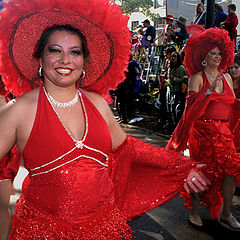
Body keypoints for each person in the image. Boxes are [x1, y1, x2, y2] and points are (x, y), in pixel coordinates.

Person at [0, 0, 209, 239]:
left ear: (84, 61)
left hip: (103, 228)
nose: (65, 60)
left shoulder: (97, 103)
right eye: (55, 50)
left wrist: (183, 168)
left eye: (74, 52)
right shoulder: (20, 109)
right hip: (42, 232)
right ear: (40, 59)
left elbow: (128, 149)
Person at [166, 27, 240, 229]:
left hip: (224, 134)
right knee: (202, 172)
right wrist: (208, 91)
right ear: (204, 58)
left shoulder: (226, 78)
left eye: (219, 53)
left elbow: (230, 105)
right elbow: (191, 110)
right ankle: (195, 212)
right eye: (212, 53)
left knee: (230, 170)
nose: (217, 56)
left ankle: (226, 213)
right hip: (202, 133)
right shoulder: (197, 78)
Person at [166, 51, 187, 127]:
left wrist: (174, 79)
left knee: (176, 109)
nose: (173, 58)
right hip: (171, 90)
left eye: (175, 56)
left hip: (179, 91)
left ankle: (176, 125)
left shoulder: (181, 68)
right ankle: (172, 125)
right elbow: (169, 79)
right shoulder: (171, 67)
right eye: (172, 56)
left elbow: (183, 80)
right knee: (170, 108)